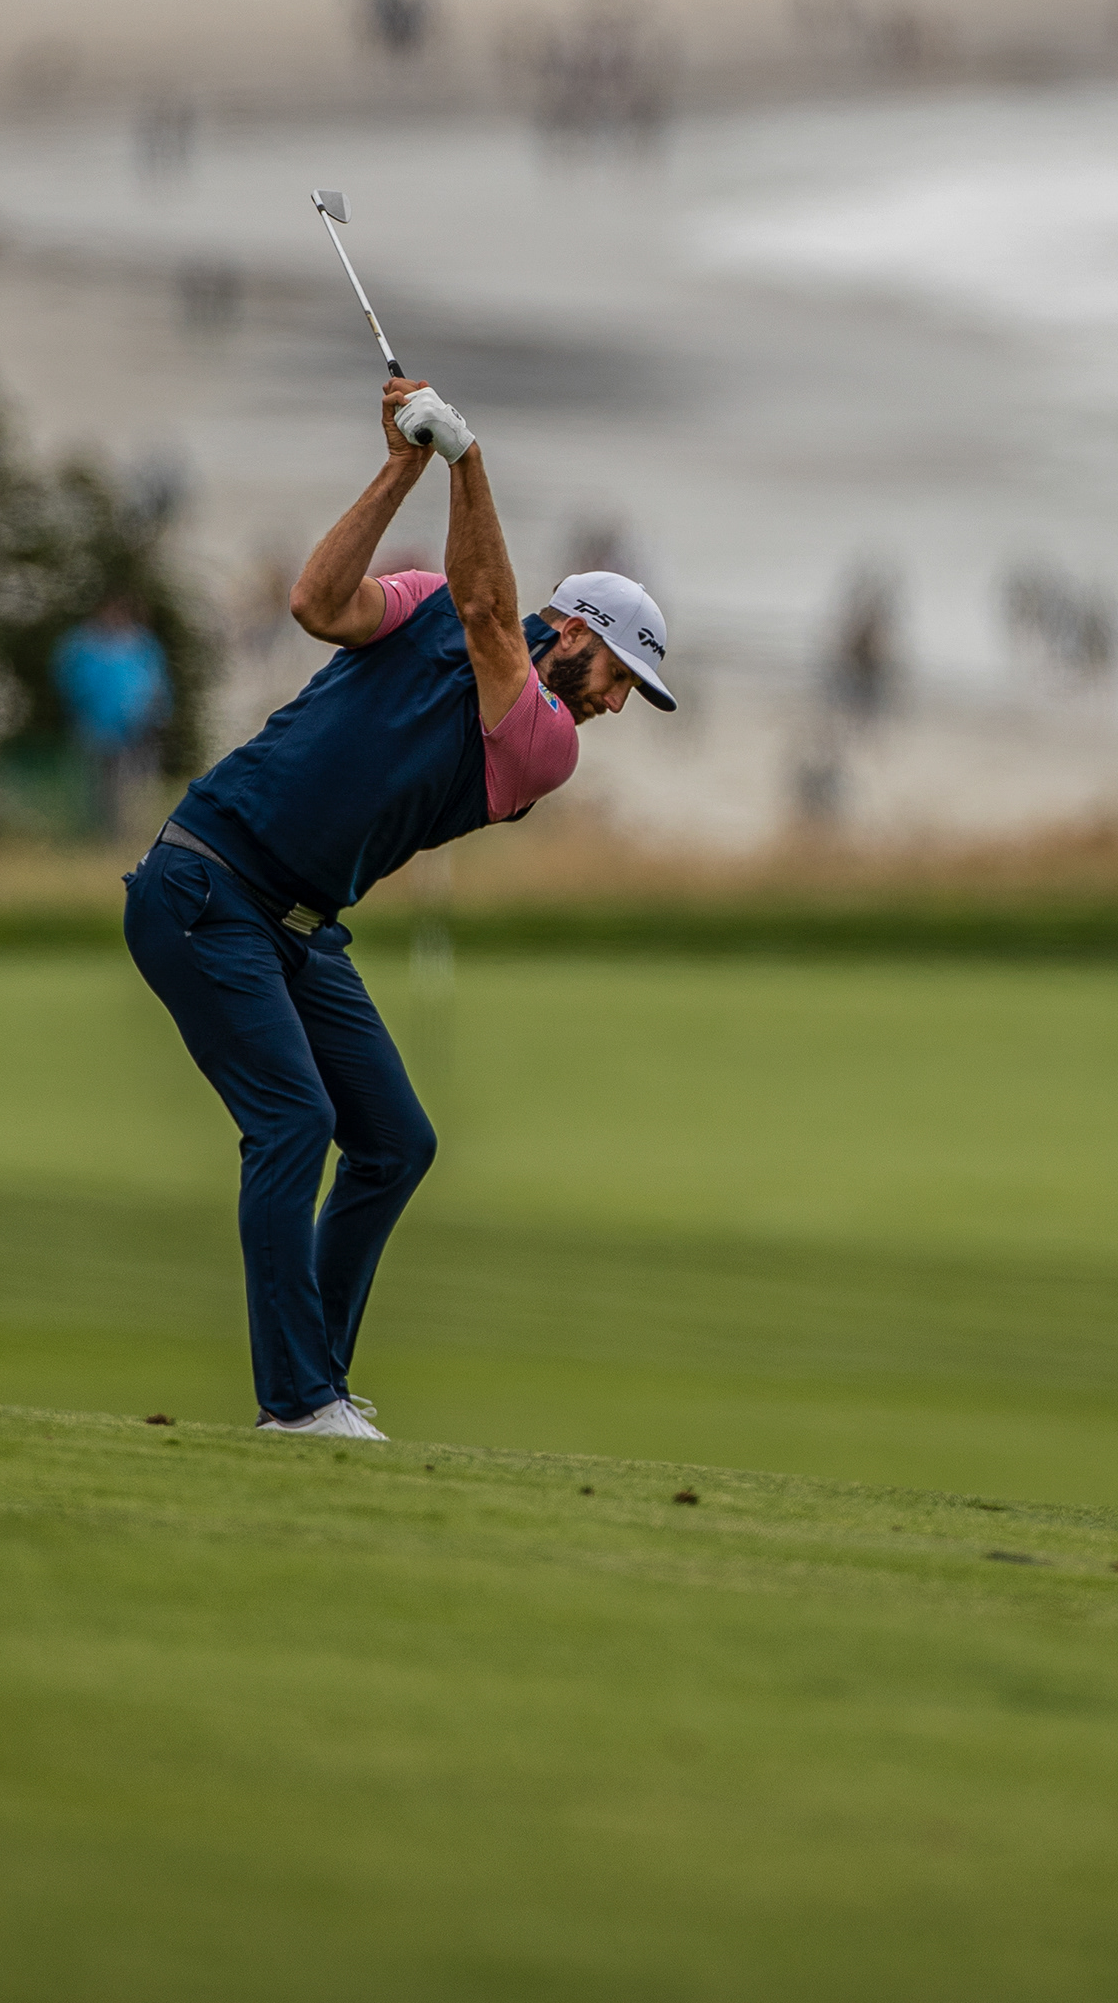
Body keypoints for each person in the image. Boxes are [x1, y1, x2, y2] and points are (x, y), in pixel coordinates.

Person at [124, 375, 673, 1439]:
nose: (614, 703)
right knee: (295, 1121)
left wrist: (467, 460)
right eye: (616, 674)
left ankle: (315, 1378)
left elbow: (485, 616)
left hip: (296, 926)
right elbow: (317, 605)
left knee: (395, 1141)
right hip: (204, 882)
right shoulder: (425, 598)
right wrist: (411, 463)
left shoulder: (541, 746)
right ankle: (299, 1403)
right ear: (572, 630)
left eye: (628, 693)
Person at [51, 596, 172, 837]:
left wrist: (159, 712)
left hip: (139, 725)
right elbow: (67, 679)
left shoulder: (142, 644)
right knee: (100, 782)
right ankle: (102, 831)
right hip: (97, 724)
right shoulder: (83, 644)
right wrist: (81, 708)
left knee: (137, 779)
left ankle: (134, 830)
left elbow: (159, 682)